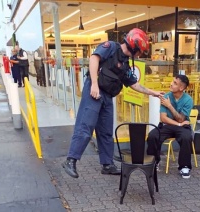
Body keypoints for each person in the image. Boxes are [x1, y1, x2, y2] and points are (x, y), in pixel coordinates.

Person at [62, 28, 164, 178]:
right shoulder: (110, 47)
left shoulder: (125, 64)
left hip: (108, 96)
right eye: (140, 51)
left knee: (106, 131)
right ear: (134, 46)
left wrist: (152, 92)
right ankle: (71, 160)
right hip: (94, 91)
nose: (140, 54)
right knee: (86, 126)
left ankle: (107, 164)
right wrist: (94, 84)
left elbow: (134, 84)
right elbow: (94, 59)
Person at [146, 75, 194, 179]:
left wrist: (169, 106)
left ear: (181, 88)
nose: (171, 84)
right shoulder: (166, 96)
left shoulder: (188, 100)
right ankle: (154, 162)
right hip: (168, 125)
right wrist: (179, 124)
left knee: (186, 137)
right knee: (153, 135)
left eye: (175, 83)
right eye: (172, 81)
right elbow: (163, 118)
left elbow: (181, 118)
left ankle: (184, 166)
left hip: (182, 127)